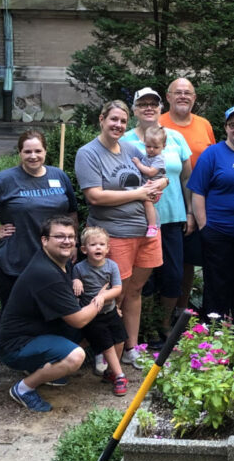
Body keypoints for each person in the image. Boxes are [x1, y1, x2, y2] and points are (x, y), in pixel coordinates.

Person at [0, 129, 78, 385]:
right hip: (16, 262)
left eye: (38, 150)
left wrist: (73, 244)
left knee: (46, 314)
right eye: (28, 151)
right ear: (19, 153)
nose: (33, 156)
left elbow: (71, 212)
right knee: (11, 314)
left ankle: (36, 364)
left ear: (46, 151)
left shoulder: (58, 176)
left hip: (52, 263)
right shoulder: (4, 180)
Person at [75, 100, 168, 368]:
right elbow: (94, 196)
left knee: (135, 291)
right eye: (113, 119)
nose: (118, 125)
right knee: (113, 295)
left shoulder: (130, 148)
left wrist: (161, 181)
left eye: (123, 121)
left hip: (147, 231)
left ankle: (131, 347)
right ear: (101, 119)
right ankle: (105, 349)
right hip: (115, 234)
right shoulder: (88, 153)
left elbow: (158, 172)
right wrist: (140, 193)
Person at [0, 216, 110, 412]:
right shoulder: (46, 273)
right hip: (16, 345)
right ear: (44, 240)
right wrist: (102, 298)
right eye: (59, 236)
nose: (66, 241)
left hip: (39, 331)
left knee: (99, 321)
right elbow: (78, 320)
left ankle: (46, 368)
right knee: (75, 356)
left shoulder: (60, 263)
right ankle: (24, 388)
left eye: (70, 236)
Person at [123, 87, 193, 345]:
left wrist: (189, 211)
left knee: (173, 275)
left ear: (161, 108)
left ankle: (164, 325)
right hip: (137, 220)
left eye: (154, 103)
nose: (148, 107)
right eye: (142, 104)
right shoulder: (126, 140)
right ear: (134, 110)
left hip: (173, 217)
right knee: (144, 278)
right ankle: (144, 327)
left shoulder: (175, 138)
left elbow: (186, 177)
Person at [187, 106, 234, 318]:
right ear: (226, 128)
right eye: (233, 125)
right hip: (219, 231)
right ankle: (215, 328)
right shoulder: (212, 154)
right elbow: (198, 191)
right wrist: (204, 227)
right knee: (218, 282)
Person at [159, 77, 216, 311]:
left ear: (194, 98)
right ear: (168, 97)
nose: (183, 96)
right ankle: (160, 313)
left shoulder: (204, 124)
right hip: (167, 199)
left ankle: (182, 313)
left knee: (189, 259)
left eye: (188, 93)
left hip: (197, 198)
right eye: (178, 92)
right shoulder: (158, 124)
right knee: (166, 261)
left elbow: (213, 158)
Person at [71, 226, 127, 397]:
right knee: (107, 345)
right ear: (84, 249)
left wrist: (104, 297)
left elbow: (118, 288)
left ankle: (110, 371)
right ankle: (120, 376)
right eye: (93, 244)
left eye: (102, 244)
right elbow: (74, 282)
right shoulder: (79, 268)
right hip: (92, 316)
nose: (98, 247)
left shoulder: (112, 266)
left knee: (120, 341)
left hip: (110, 310)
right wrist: (76, 281)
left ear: (107, 249)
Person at [130, 124, 167, 238]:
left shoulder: (159, 158)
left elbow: (151, 172)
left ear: (163, 146)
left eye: (156, 147)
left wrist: (138, 164)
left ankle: (152, 226)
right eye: (148, 146)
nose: (151, 150)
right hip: (147, 186)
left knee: (147, 203)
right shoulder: (148, 156)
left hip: (153, 188)